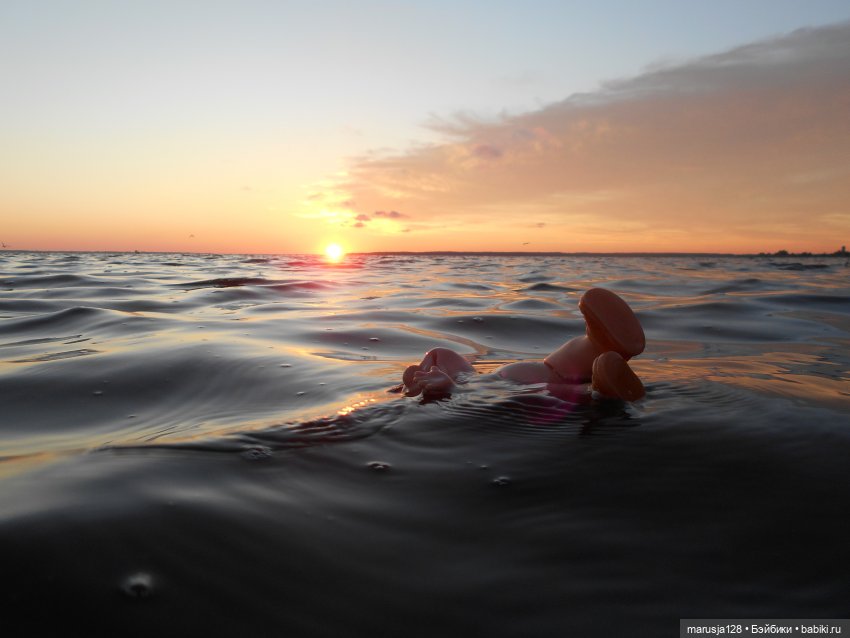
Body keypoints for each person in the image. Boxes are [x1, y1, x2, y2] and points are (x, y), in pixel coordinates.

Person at [401, 288, 646, 402]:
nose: (432, 368)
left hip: (544, 375)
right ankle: (601, 374)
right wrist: (451, 387)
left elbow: (440, 356)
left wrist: (443, 383)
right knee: (565, 385)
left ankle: (599, 349)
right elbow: (479, 396)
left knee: (439, 352)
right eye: (426, 373)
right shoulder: (470, 383)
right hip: (541, 384)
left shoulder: (469, 378)